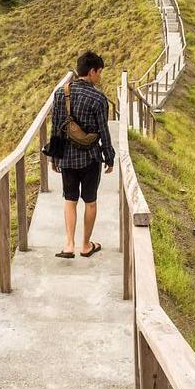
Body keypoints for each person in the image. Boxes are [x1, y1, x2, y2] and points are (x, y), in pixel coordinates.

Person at [51, 51, 114, 259]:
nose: (100, 76)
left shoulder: (61, 93)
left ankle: (69, 245)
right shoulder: (98, 98)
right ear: (93, 71)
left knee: (69, 199)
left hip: (67, 157)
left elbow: (56, 127)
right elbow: (103, 131)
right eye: (100, 72)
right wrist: (109, 156)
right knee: (90, 201)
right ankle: (86, 245)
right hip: (90, 158)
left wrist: (54, 156)